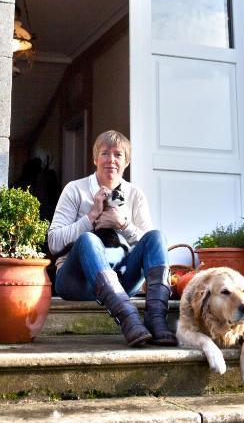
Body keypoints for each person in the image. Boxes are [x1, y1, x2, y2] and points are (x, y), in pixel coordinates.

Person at [48, 130, 176, 347]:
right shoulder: (75, 189)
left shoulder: (135, 194)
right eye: (105, 153)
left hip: (121, 279)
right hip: (76, 282)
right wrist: (90, 217)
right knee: (89, 239)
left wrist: (122, 224)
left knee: (157, 237)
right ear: (95, 158)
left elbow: (149, 246)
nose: (111, 160)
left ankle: (155, 319)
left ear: (127, 162)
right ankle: (128, 318)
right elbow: (53, 243)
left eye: (118, 155)